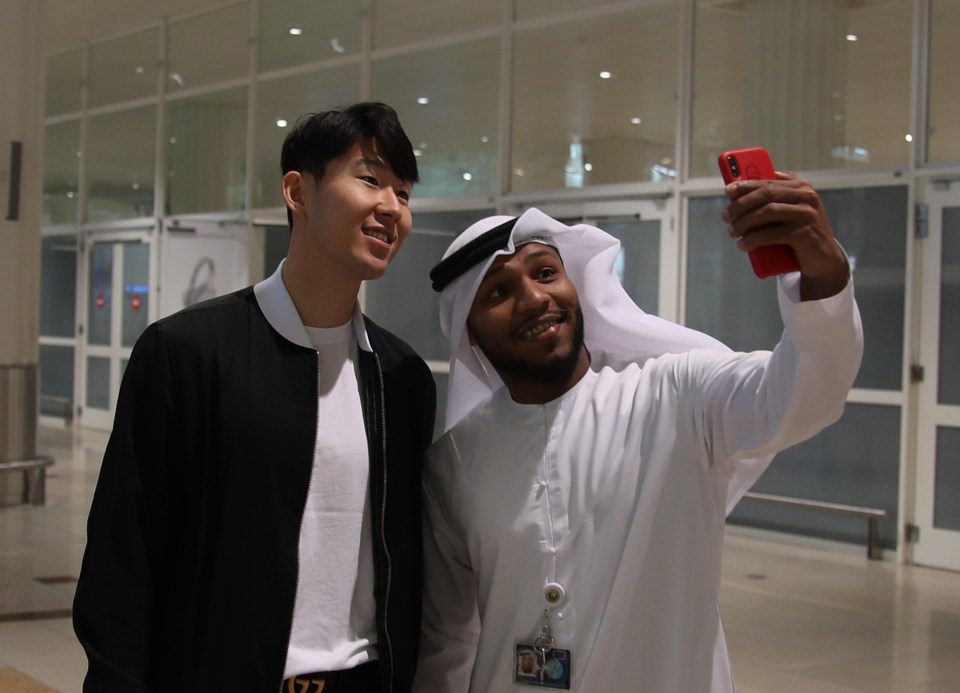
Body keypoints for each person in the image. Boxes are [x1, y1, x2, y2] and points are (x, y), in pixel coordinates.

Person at [413, 174, 863, 692]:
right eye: (498, 291)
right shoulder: (454, 462)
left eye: (545, 273)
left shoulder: (676, 395)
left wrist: (822, 269)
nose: (534, 298)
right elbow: (447, 637)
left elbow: (804, 394)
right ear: (469, 333)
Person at [73, 102, 437, 692]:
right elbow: (123, 559)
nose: (391, 207)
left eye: (404, 191)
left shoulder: (401, 378)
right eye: (370, 179)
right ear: (298, 191)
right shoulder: (188, 353)